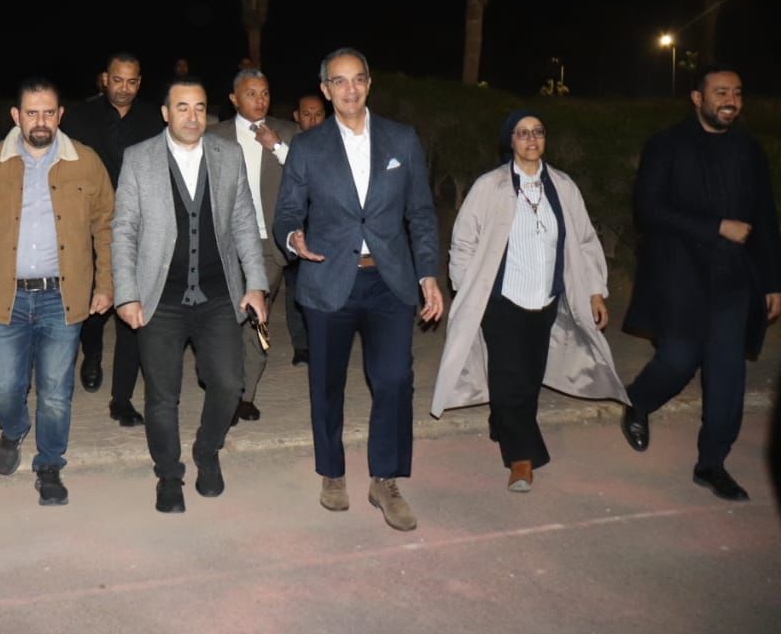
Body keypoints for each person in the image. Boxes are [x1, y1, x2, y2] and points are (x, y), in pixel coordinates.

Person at [273, 48, 442, 531]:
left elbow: (421, 213)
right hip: (329, 279)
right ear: (325, 90)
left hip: (389, 280)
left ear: (369, 83)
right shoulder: (308, 147)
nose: (350, 89)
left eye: (358, 79)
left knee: (394, 380)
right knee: (326, 383)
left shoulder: (401, 139)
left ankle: (385, 479)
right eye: (339, 81)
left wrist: (428, 273)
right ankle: (332, 472)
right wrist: (293, 237)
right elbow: (287, 212)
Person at [432, 111, 628, 491]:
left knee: (530, 375)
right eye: (522, 133)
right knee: (510, 378)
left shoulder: (563, 186)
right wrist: (470, 291)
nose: (531, 139)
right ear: (510, 141)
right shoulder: (489, 186)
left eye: (538, 132)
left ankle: (501, 421)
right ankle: (521, 456)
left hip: (546, 299)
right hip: (501, 299)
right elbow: (463, 241)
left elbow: (585, 240)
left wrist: (595, 291)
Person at [0, 78, 114, 506]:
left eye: (48, 112)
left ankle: (50, 465)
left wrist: (106, 284)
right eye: (32, 113)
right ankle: (14, 428)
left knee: (56, 392)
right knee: (4, 386)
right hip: (6, 298)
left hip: (63, 298)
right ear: (16, 116)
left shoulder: (86, 162)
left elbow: (107, 229)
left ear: (60, 115)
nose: (40, 121)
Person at [621, 65, 781, 501]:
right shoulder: (666, 145)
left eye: (737, 92)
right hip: (681, 275)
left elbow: (765, 218)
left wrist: (773, 281)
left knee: (727, 375)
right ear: (697, 98)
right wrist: (717, 227)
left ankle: (712, 463)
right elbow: (649, 208)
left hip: (734, 279)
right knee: (678, 359)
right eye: (721, 92)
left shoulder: (749, 150)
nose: (731, 100)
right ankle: (637, 401)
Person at [113, 78, 269, 513]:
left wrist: (256, 284)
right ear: (166, 113)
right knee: (162, 394)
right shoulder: (139, 158)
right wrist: (126, 294)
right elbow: (123, 230)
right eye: (182, 107)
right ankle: (168, 474)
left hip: (218, 294)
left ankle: (206, 450)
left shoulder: (227, 155)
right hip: (160, 298)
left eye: (200, 107)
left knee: (229, 383)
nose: (192, 116)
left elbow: (244, 221)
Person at [60, 52, 165, 426]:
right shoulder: (79, 118)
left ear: (140, 83)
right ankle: (91, 355)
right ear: (105, 78)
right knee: (94, 298)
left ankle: (122, 397)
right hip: (89, 224)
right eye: (118, 80)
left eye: (132, 82)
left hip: (138, 226)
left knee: (132, 306)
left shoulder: (153, 120)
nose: (124, 88)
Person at [207, 68, 298, 424]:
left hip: (267, 245)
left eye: (265, 93)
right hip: (224, 242)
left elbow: (309, 176)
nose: (260, 100)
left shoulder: (287, 133)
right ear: (234, 99)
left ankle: (245, 395)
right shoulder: (214, 136)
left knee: (254, 319)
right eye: (251, 93)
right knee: (224, 318)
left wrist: (277, 147)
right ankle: (225, 390)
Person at [283, 93, 329, 366]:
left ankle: (323, 342)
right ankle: (301, 345)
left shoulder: (336, 143)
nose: (313, 120)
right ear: (296, 117)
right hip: (296, 226)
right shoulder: (290, 143)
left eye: (318, 114)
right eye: (307, 114)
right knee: (294, 288)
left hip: (326, 228)